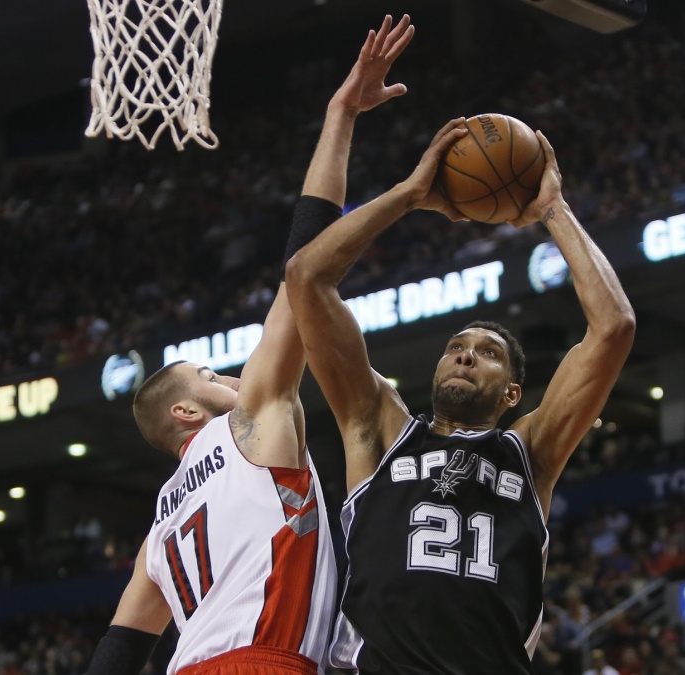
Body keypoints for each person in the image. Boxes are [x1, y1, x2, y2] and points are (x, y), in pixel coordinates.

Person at [85, 15, 415, 675]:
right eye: (209, 373)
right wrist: (341, 116)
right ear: (185, 411)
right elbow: (304, 269)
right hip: (261, 661)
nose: (232, 375)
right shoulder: (247, 422)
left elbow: (118, 651)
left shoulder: (160, 529)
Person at [286, 119, 635, 672]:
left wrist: (553, 209)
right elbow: (306, 276)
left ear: (512, 394)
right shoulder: (380, 430)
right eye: (456, 347)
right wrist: (408, 195)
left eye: (487, 352)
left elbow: (613, 328)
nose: (466, 355)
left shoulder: (530, 453)